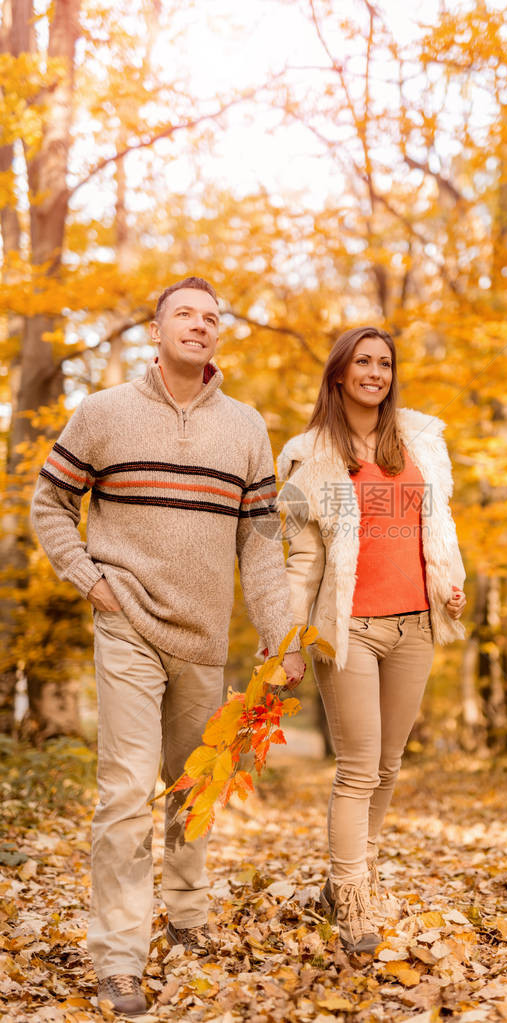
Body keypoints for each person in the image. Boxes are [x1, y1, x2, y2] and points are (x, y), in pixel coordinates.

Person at [31, 277, 306, 1016]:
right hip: (126, 621)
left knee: (195, 787)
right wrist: (90, 579)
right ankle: (119, 956)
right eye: (183, 313)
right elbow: (49, 500)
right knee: (124, 791)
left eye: (211, 317)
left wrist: (282, 639)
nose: (199, 324)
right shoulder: (104, 413)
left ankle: (184, 912)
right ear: (155, 331)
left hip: (205, 638)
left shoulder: (246, 427)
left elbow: (262, 543)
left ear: (218, 336)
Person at [277, 326, 466, 954]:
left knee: (389, 764)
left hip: (415, 625)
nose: (375, 372)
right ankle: (352, 895)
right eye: (363, 361)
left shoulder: (417, 442)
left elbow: (435, 527)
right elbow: (300, 560)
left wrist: (447, 583)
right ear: (339, 373)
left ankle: (356, 871)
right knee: (358, 767)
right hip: (349, 629)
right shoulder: (311, 455)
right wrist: (288, 640)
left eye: (385, 363)